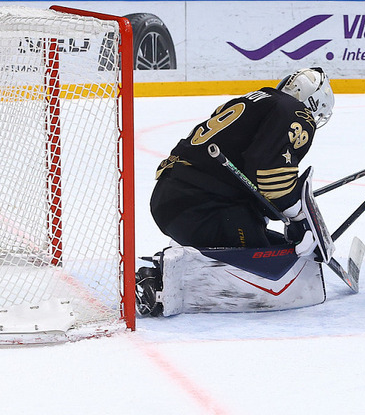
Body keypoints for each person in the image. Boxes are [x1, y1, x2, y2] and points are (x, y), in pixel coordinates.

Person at [137, 68, 335, 316]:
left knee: (275, 243)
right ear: (313, 102)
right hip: (204, 208)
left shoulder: (257, 100)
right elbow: (269, 175)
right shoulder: (295, 111)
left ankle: (187, 255)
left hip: (174, 199)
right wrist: (297, 215)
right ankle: (160, 282)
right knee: (267, 263)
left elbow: (250, 176)